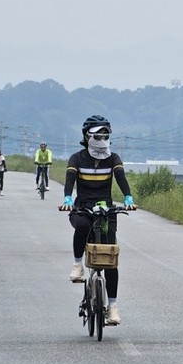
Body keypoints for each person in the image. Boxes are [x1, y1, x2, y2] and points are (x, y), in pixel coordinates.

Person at [61, 115, 136, 326]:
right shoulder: (77, 158)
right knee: (83, 225)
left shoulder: (113, 159)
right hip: (82, 207)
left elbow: (121, 178)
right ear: (87, 137)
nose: (102, 140)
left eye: (105, 136)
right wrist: (68, 198)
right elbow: (70, 180)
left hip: (106, 209)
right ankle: (77, 265)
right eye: (97, 136)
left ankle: (112, 307)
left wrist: (128, 197)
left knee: (110, 257)